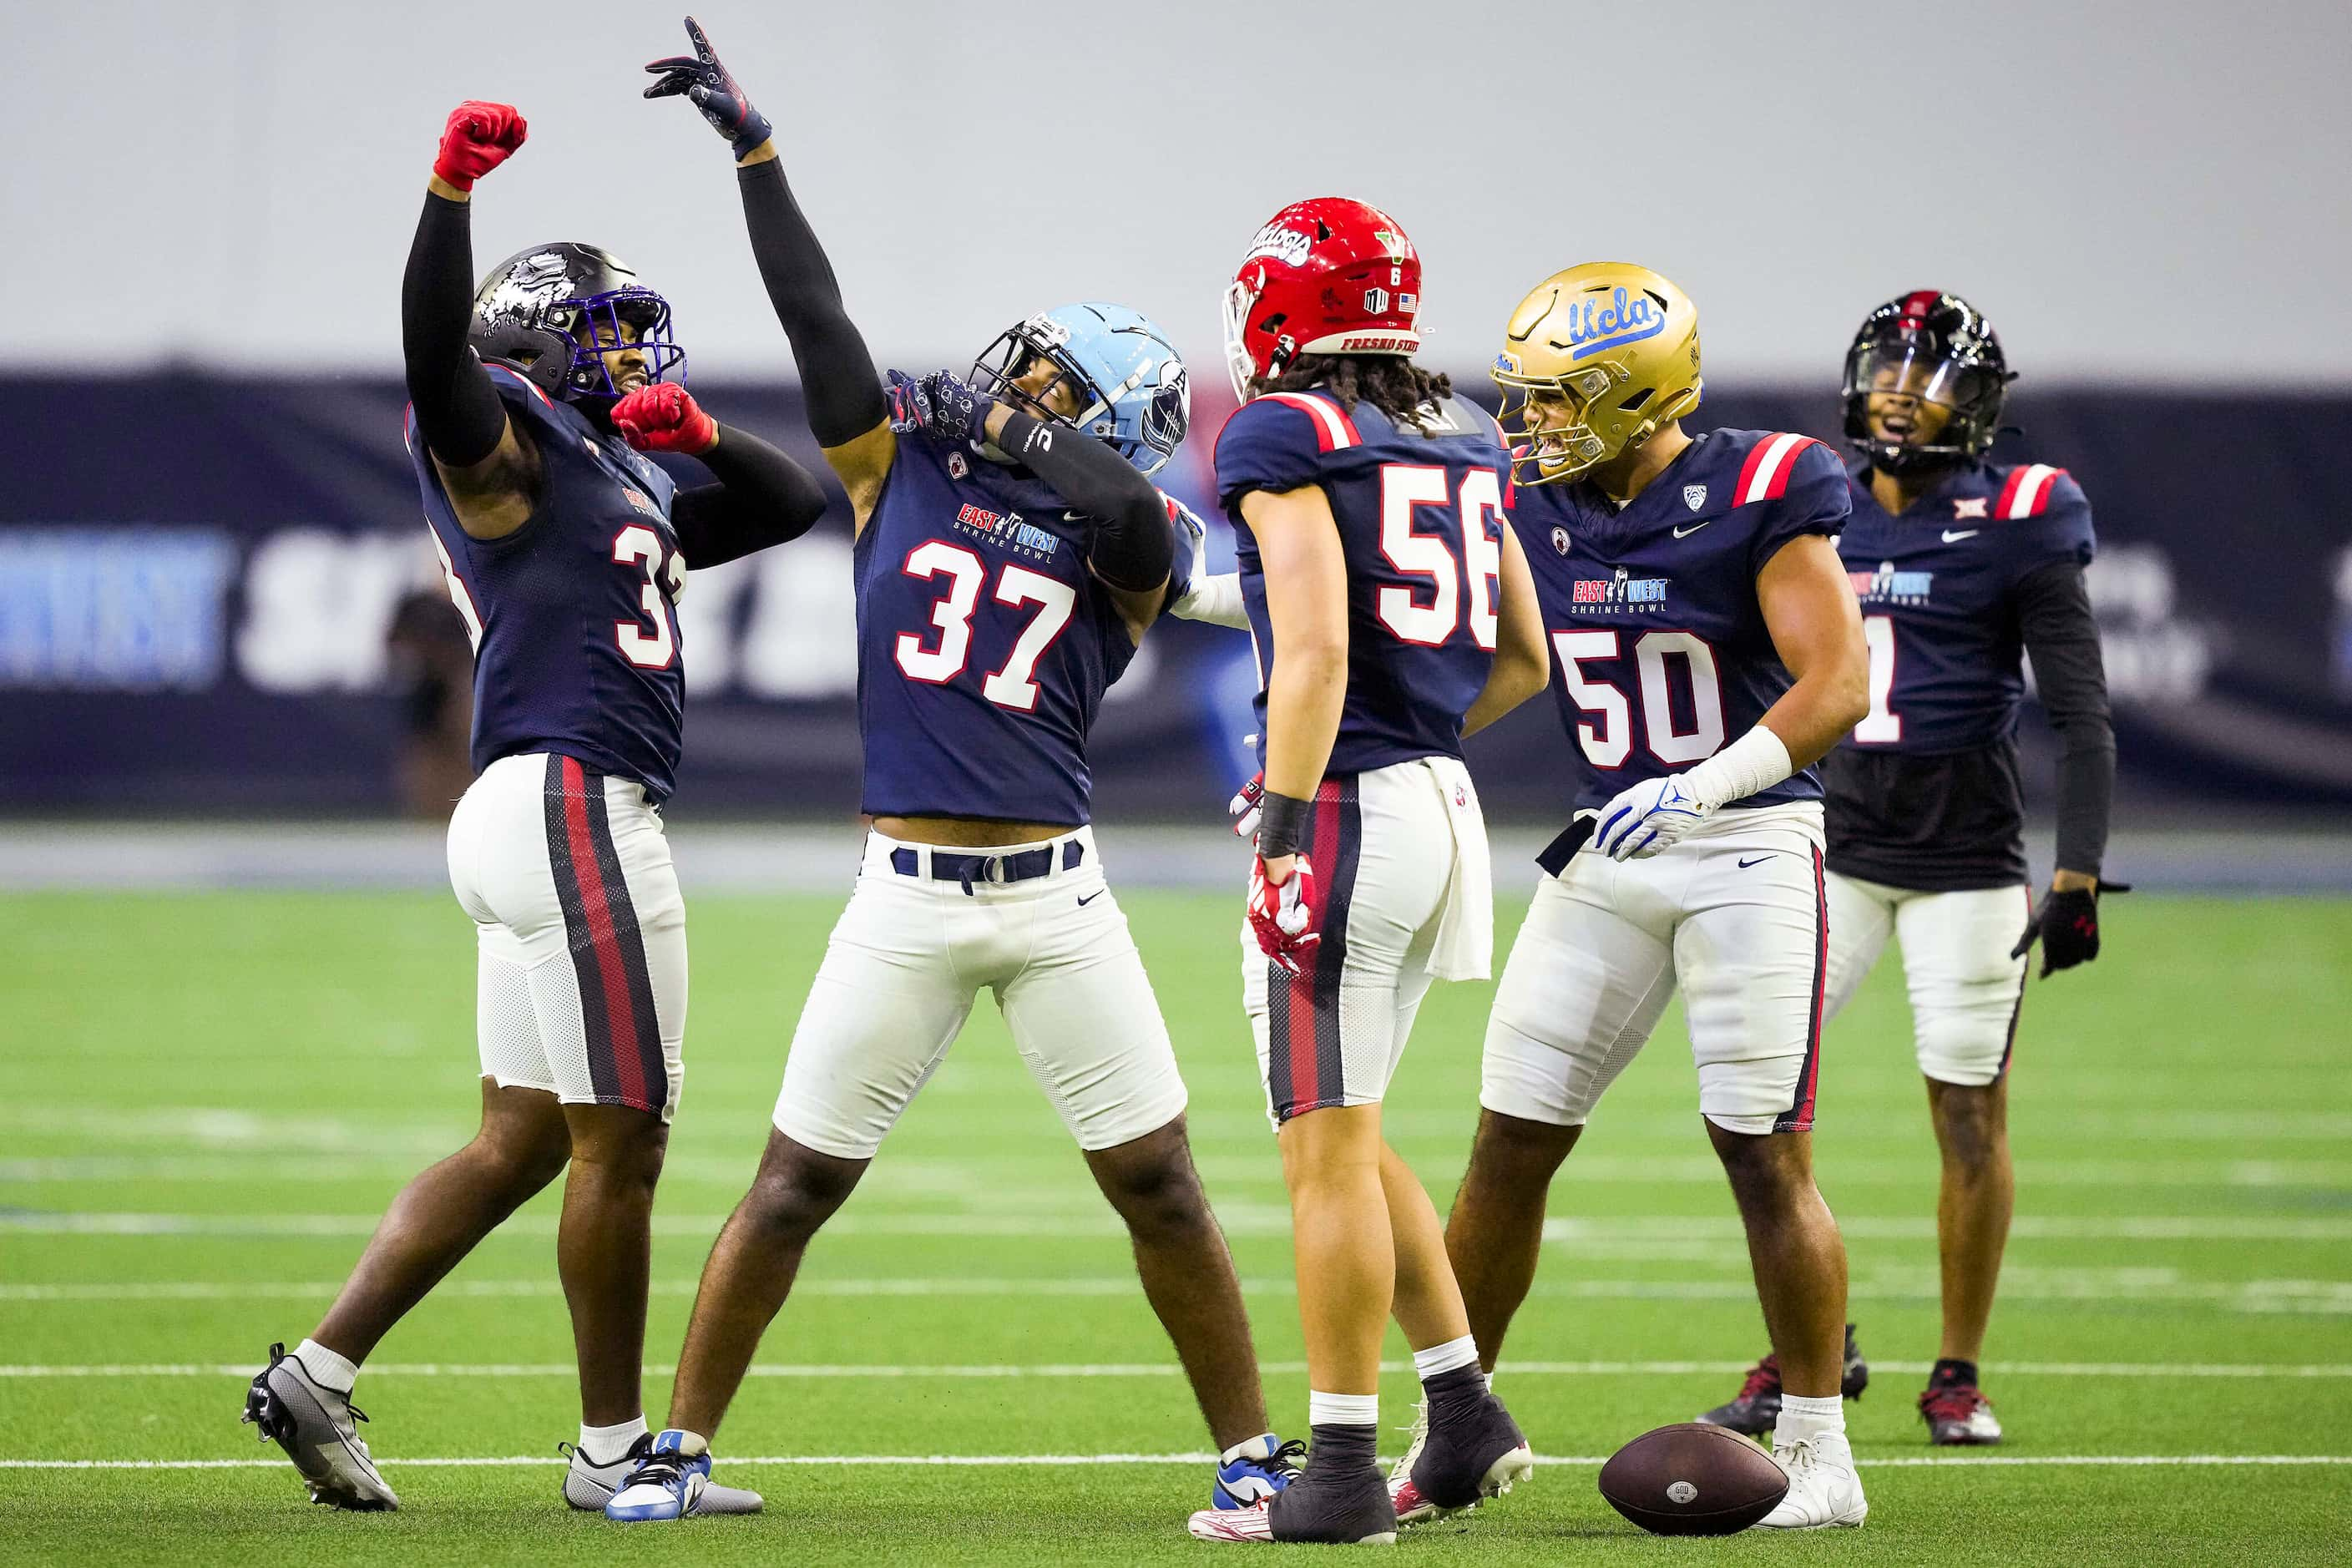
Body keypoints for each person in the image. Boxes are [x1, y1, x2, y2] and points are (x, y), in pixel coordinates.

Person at [603, 19, 1294, 1525]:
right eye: (1019, 364)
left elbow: (1129, 508)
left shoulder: (1126, 542)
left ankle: (1250, 1454)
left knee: (1162, 1185)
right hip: (904, 897)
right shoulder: (892, 474)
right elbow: (814, 314)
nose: (1012, 377)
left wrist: (1012, 429)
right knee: (794, 1183)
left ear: (1095, 413)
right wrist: (756, 151)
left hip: (1057, 903)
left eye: (1050, 376)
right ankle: (679, 1450)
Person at [240, 99, 827, 1514]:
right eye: (603, 327)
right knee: (626, 1140)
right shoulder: (497, 450)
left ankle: (319, 1370)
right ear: (531, 347)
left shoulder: (606, 466)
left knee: (523, 1142)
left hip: (534, 811)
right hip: (572, 804)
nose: (627, 348)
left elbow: (794, 498)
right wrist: (448, 192)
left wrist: (694, 429)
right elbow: (433, 358)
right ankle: (616, 1456)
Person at [1437, 264, 1874, 1530]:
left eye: (1561, 398)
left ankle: (1823, 1454)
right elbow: (1502, 657)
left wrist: (1706, 785)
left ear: (1638, 389)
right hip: (1610, 852)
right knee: (1509, 1136)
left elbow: (1836, 682)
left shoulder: (1761, 484)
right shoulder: (1537, 500)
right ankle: (1453, 1424)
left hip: (1748, 847)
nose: (1534, 424)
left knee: (1762, 1154)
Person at [1185, 198, 1551, 1548]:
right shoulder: (1463, 434)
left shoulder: (1283, 431)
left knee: (1320, 1150)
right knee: (1354, 1121)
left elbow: (1319, 650)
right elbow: (1526, 659)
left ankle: (1338, 1471)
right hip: (1440, 803)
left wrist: (1284, 817)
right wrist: (1407, 749)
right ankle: (1461, 1409)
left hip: (1345, 810)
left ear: (1281, 308)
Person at [1696, 291, 2119, 1448]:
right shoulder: (1810, 500)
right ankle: (1809, 1345)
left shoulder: (2027, 514)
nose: (1902, 391)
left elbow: (2082, 710)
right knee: (1760, 1106)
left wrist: (2076, 869)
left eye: (1930, 376)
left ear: (1978, 405)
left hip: (1969, 857)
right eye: (1889, 367)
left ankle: (1957, 1370)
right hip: (1828, 844)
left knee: (1969, 1110)